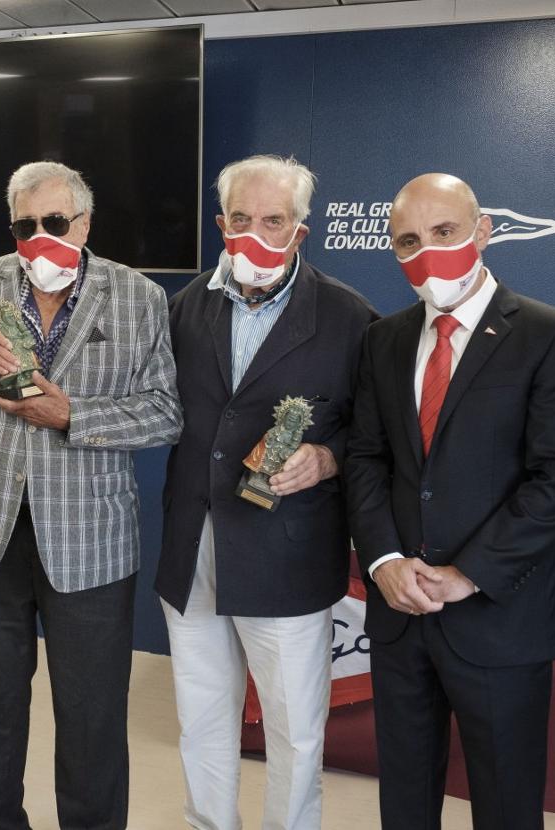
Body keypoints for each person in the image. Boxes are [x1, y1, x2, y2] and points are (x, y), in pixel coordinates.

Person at [0, 160, 182, 830]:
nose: (39, 236)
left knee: (92, 717)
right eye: (25, 224)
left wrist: (75, 416)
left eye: (55, 222)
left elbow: (166, 413)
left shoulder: (138, 297)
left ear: (85, 222)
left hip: (92, 545)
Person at [345, 173, 555, 829]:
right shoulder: (384, 339)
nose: (426, 252)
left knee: (507, 804)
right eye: (407, 241)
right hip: (401, 615)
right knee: (404, 800)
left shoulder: (550, 334)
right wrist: (383, 562)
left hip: (498, 618)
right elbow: (368, 458)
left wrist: (466, 575)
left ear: (483, 231)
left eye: (444, 232)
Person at [156, 155, 377, 830]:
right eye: (242, 219)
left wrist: (325, 458)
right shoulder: (183, 307)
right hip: (194, 545)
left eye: (274, 221)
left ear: (300, 232)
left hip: (286, 552)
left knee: (294, 732)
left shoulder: (349, 317)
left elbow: (371, 434)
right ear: (222, 223)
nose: (256, 234)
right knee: (202, 719)